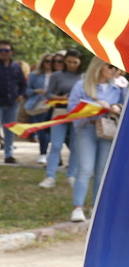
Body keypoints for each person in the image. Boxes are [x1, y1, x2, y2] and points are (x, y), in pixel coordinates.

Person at [66, 59, 126, 222]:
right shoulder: (82, 85)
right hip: (86, 128)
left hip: (108, 129)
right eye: (111, 66)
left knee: (102, 170)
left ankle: (96, 207)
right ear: (99, 66)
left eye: (117, 68)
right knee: (85, 168)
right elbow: (71, 109)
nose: (115, 71)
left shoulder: (120, 86)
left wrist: (116, 108)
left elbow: (127, 105)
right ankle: (77, 207)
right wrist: (93, 106)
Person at [37, 50, 85, 188]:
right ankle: (50, 176)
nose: (71, 64)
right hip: (59, 112)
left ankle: (71, 175)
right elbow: (48, 94)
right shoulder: (56, 75)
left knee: (76, 147)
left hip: (77, 115)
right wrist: (59, 97)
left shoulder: (84, 77)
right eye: (69, 61)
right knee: (56, 145)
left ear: (80, 62)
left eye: (75, 62)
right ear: (65, 61)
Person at [23, 53, 58, 158]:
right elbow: (26, 91)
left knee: (54, 132)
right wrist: (36, 91)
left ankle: (56, 156)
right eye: (47, 61)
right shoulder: (34, 75)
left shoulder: (58, 75)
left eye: (52, 61)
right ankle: (43, 154)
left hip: (55, 105)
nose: (49, 64)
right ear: (42, 62)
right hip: (39, 105)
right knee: (42, 130)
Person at [0, 40, 26, 164]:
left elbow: (23, 84)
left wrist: (21, 95)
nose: (3, 53)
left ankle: (8, 155)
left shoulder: (16, 66)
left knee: (10, 130)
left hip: (12, 103)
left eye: (6, 50)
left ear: (11, 52)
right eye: (1, 50)